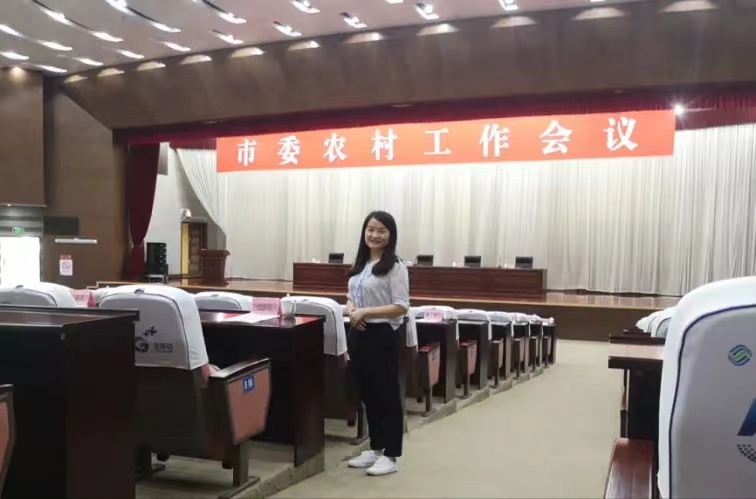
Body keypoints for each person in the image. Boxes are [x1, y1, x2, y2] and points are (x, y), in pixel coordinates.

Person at [345, 210, 409, 476]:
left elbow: (401, 306)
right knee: (368, 394)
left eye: (381, 230)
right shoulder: (361, 263)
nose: (375, 235)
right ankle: (376, 448)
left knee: (387, 395)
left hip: (382, 335)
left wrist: (365, 312)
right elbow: (350, 296)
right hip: (359, 333)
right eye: (371, 229)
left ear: (390, 235)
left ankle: (391, 455)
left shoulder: (395, 266)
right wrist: (352, 311)